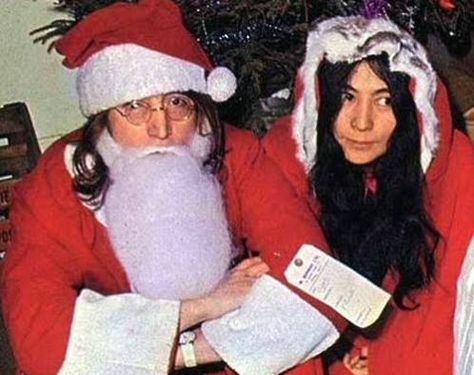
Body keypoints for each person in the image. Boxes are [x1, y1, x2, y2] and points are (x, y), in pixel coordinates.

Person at [0, 1, 373, 374]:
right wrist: (198, 309)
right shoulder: (59, 179)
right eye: (134, 106)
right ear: (104, 112)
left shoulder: (234, 153)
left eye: (177, 103)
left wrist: (194, 348)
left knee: (298, 361)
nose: (160, 130)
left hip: (224, 348)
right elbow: (40, 339)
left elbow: (324, 284)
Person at [263, 15, 474, 375]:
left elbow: (438, 322)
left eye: (383, 101)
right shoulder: (284, 161)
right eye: (347, 97)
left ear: (411, 109)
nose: (362, 123)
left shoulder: (451, 173)